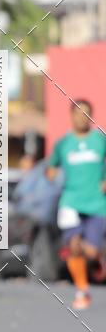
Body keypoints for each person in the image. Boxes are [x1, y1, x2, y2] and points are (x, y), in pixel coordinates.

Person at [47, 99, 106, 310]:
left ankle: (97, 258)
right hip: (70, 201)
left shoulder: (100, 141)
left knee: (89, 251)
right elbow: (51, 166)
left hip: (97, 203)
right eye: (79, 113)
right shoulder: (63, 144)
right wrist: (52, 173)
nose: (83, 117)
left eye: (87, 113)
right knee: (73, 246)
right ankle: (82, 290)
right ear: (71, 115)